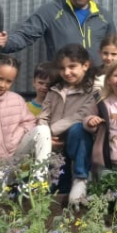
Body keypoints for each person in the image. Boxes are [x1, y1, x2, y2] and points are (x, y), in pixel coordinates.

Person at [0, 0, 116, 66]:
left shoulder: (104, 16)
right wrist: (6, 42)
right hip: (61, 81)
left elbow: (114, 48)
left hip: (95, 83)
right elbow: (25, 36)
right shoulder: (51, 11)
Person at [37, 44, 98, 204]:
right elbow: (43, 115)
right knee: (57, 191)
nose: (67, 72)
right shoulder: (55, 90)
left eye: (72, 67)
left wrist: (51, 131)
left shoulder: (93, 90)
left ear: (85, 65)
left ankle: (80, 179)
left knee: (78, 128)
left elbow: (81, 115)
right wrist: (45, 136)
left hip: (79, 144)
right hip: (55, 146)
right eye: (62, 68)